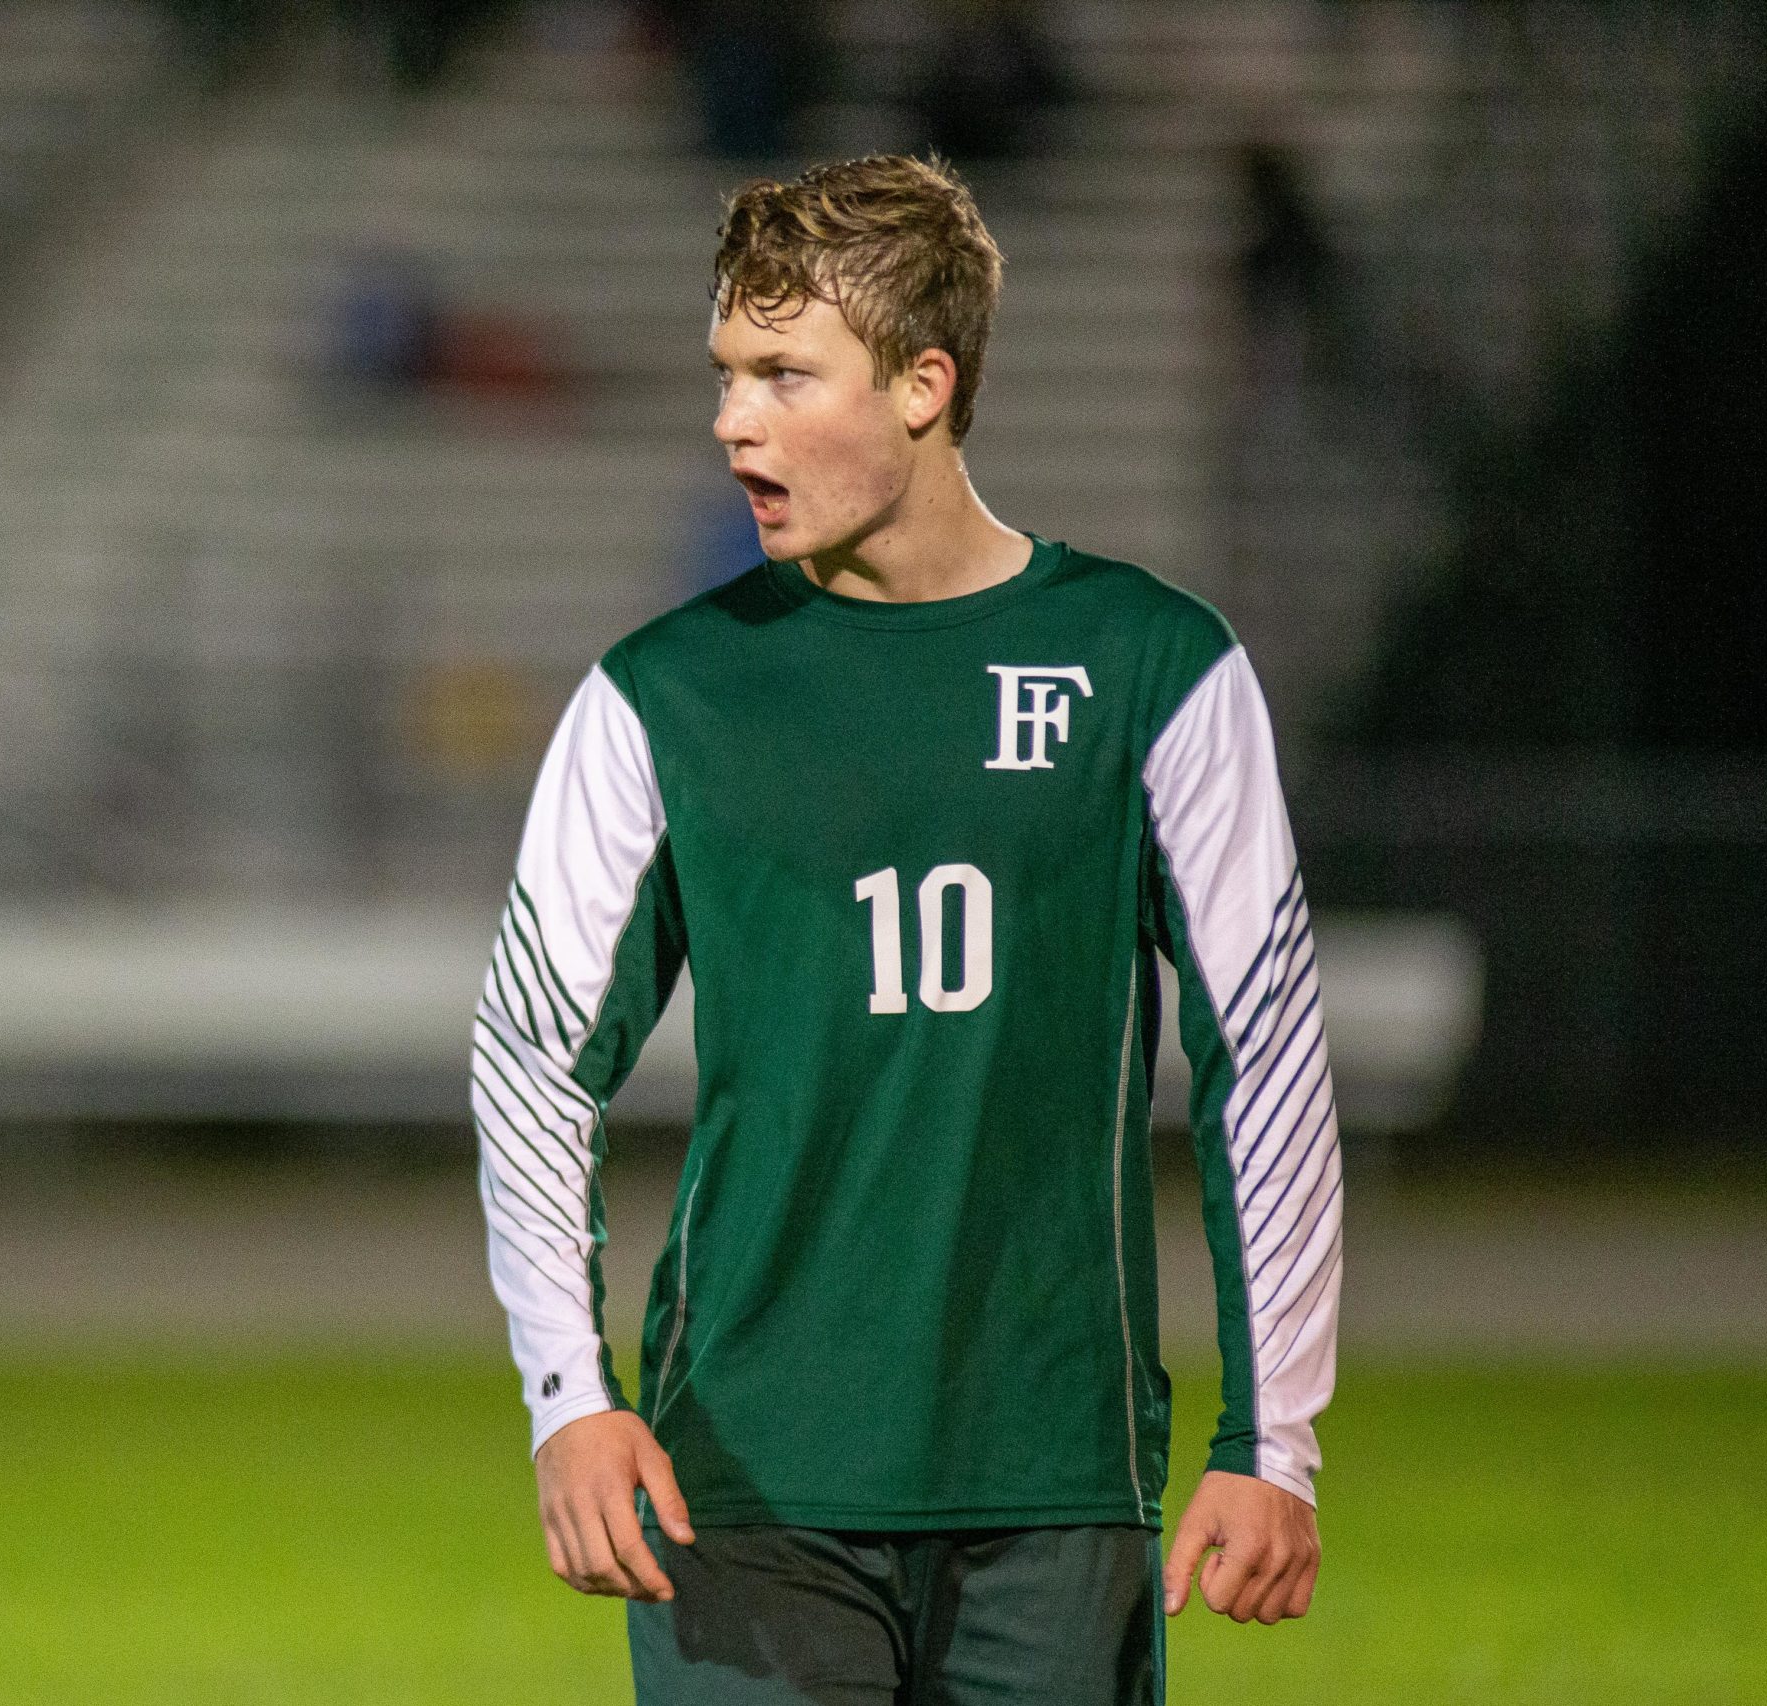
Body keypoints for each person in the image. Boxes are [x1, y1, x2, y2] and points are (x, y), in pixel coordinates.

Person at [469, 153, 1339, 1704]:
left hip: (1058, 1482)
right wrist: (565, 1396)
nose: (734, 420)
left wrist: (1274, 1439)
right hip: (738, 1486)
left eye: (786, 375)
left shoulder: (1156, 670)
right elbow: (531, 1056)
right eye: (727, 374)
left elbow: (1264, 1061)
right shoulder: (660, 696)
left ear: (925, 383)